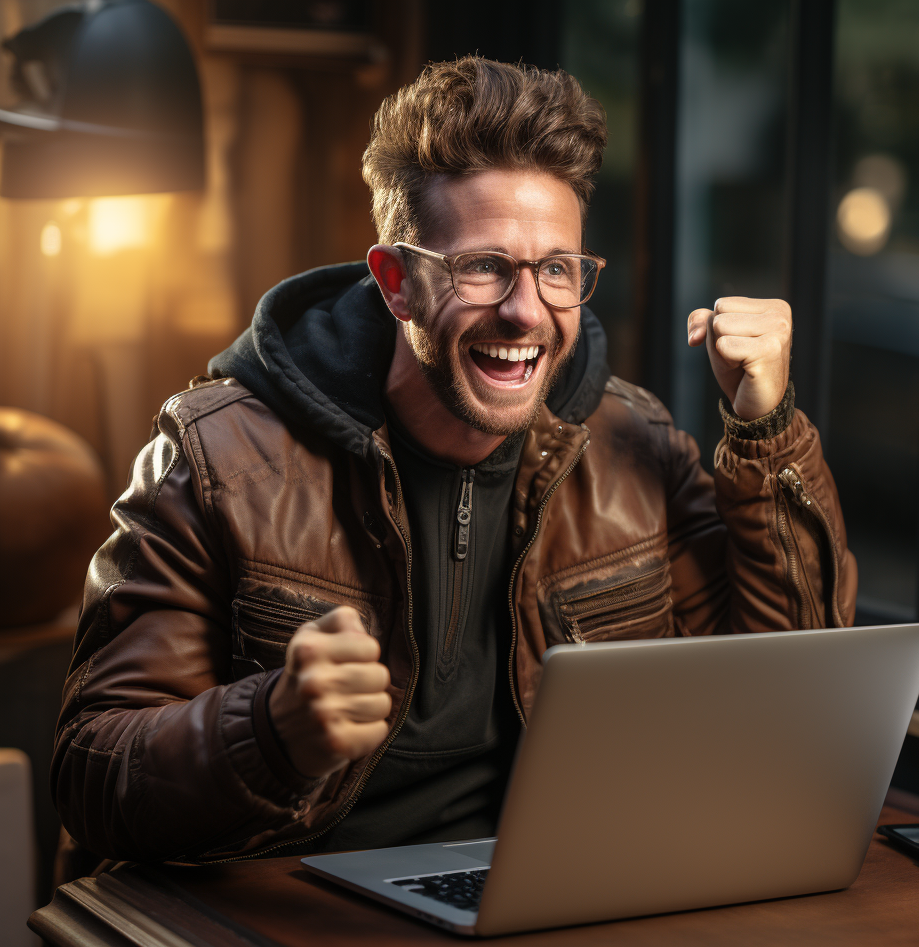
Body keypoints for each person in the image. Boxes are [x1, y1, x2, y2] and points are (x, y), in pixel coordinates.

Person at [52, 57, 856, 866]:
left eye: (555, 270)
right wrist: (268, 730)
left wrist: (766, 429)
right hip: (288, 921)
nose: (524, 310)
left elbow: (786, 701)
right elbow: (91, 776)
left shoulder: (632, 444)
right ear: (397, 282)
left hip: (547, 899)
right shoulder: (216, 455)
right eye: (483, 266)